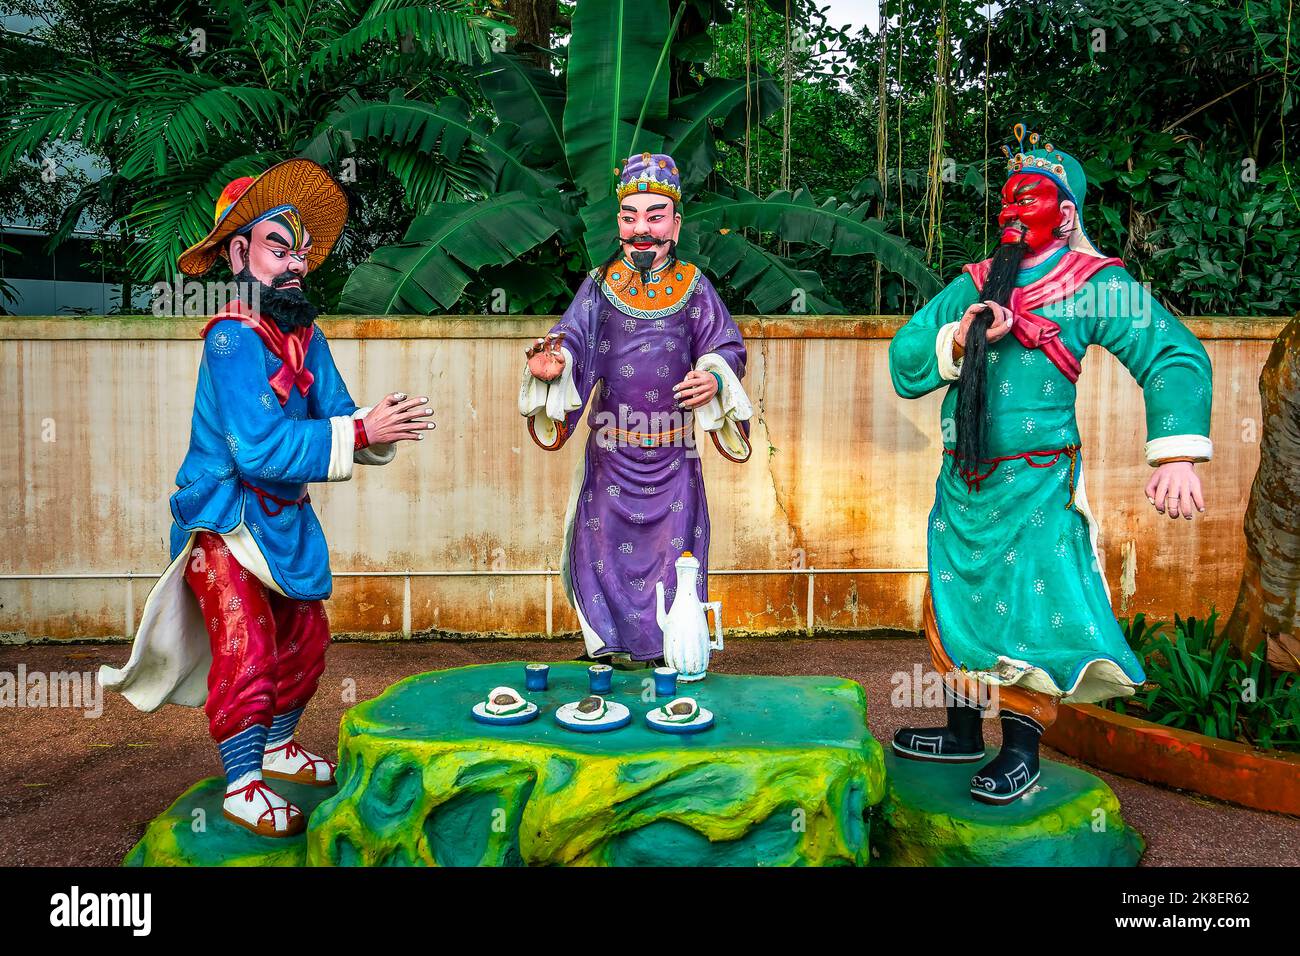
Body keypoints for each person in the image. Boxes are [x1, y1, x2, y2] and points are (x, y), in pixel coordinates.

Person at [100, 159, 434, 836]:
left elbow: (337, 413)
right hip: (226, 525)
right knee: (247, 648)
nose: (295, 267)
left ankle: (279, 746)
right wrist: (356, 430)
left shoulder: (305, 335)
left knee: (306, 639)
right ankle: (243, 782)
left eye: (301, 254)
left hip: (285, 521)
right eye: (279, 250)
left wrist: (377, 425)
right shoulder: (230, 338)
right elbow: (258, 448)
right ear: (238, 253)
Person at [887, 126, 1213, 804]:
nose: (1010, 209)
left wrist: (1178, 452)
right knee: (954, 599)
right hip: (965, 476)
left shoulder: (1096, 284)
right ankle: (959, 730)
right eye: (1005, 199)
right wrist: (958, 333)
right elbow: (906, 355)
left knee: (1032, 607)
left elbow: (1173, 354)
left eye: (1028, 196)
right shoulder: (975, 282)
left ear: (1066, 212)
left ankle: (1020, 747)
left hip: (1039, 479)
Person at [518, 152, 753, 665]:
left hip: (674, 455)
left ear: (676, 221)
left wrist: (713, 377)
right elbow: (571, 337)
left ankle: (670, 652)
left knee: (676, 561)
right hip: (611, 452)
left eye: (654, 215)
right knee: (598, 552)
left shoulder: (694, 286)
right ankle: (607, 648)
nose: (641, 228)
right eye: (630, 217)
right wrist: (554, 361)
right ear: (619, 223)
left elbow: (727, 346)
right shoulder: (601, 285)